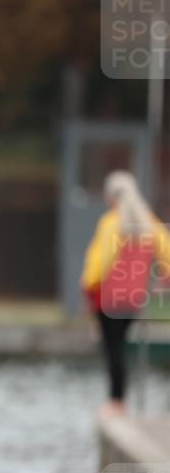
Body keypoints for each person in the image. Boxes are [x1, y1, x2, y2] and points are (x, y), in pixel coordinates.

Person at [80, 170, 170, 417]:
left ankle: (116, 400)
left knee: (112, 348)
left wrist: (88, 285)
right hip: (133, 299)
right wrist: (164, 277)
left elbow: (100, 263)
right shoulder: (149, 224)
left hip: (108, 297)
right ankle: (119, 399)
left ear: (111, 196)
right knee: (119, 346)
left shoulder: (111, 223)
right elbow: (167, 253)